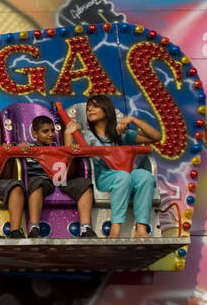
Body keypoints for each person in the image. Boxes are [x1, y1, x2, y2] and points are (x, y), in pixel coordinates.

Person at [65, 94, 161, 238]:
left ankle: (141, 229)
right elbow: (68, 157)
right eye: (88, 107)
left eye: (95, 106)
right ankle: (115, 229)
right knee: (123, 177)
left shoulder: (119, 133)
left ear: (106, 110)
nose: (90, 109)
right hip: (102, 176)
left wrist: (133, 120)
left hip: (125, 172)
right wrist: (68, 134)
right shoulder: (84, 135)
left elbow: (156, 137)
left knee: (145, 176)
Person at [20, 114, 96, 239]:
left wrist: (71, 153)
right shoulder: (29, 148)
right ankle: (34, 227)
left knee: (84, 183)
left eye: (52, 130)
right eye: (45, 131)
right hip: (40, 181)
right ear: (35, 134)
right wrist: (21, 148)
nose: (51, 134)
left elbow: (66, 173)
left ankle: (86, 227)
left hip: (59, 180)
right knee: (37, 182)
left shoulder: (58, 149)